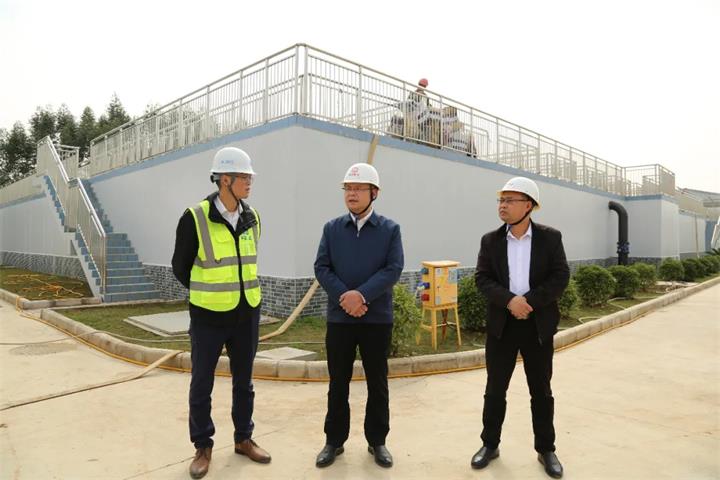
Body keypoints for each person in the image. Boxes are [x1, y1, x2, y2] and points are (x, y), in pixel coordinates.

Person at [172, 146, 271, 479]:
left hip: (247, 314)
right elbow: (180, 267)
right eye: (244, 177)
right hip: (208, 317)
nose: (250, 182)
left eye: (250, 177)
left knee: (245, 382)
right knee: (202, 383)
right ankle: (203, 446)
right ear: (224, 180)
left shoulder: (252, 217)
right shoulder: (195, 218)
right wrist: (208, 295)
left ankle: (243, 438)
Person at [471, 177, 569, 478]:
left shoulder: (550, 238)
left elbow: (560, 276)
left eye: (510, 200)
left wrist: (529, 303)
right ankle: (489, 444)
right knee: (495, 388)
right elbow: (482, 278)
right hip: (502, 326)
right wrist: (510, 301)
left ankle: (546, 449)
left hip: (537, 326)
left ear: (528, 206)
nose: (502, 205)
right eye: (501, 200)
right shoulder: (490, 241)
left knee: (541, 390)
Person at [313, 163, 404, 469]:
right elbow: (322, 267)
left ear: (373, 193)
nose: (351, 194)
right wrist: (346, 297)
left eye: (358, 188)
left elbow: (393, 268)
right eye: (348, 189)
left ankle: (377, 441)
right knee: (338, 381)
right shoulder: (332, 229)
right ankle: (334, 441)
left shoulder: (390, 230)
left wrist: (361, 296)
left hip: (376, 318)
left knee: (377, 382)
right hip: (340, 319)